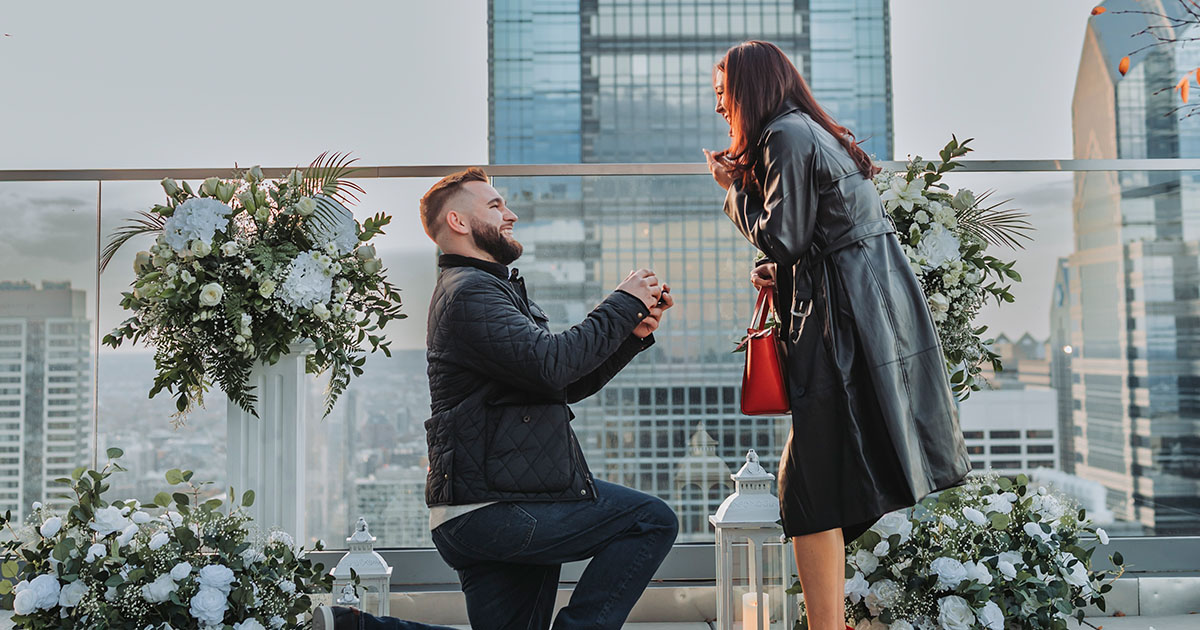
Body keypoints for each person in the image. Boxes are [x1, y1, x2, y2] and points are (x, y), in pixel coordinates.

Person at [316, 167, 679, 630]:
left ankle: (353, 627)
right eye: (495, 206)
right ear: (458, 223)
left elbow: (558, 385)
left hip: (497, 500)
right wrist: (623, 302)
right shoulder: (470, 292)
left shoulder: (486, 290)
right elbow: (554, 363)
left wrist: (628, 336)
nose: (511, 214)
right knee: (650, 521)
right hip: (496, 507)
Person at [703, 41, 971, 630]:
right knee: (815, 479)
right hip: (865, 308)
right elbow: (823, 233)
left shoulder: (783, 137)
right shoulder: (807, 131)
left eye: (724, 95)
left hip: (840, 321)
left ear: (750, 91)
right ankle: (831, 624)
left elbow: (785, 237)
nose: (720, 109)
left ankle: (829, 625)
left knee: (808, 484)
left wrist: (733, 190)